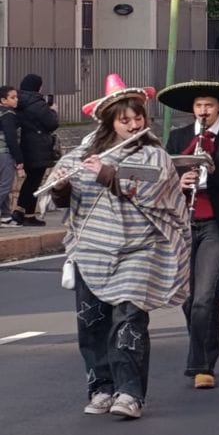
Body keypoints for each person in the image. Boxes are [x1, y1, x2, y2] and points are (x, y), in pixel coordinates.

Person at [47, 79, 190, 419]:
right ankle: (100, 387)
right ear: (109, 122)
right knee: (92, 323)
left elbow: (154, 189)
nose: (133, 125)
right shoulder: (82, 154)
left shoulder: (154, 154)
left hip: (139, 249)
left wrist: (108, 173)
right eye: (124, 120)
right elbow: (59, 198)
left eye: (137, 118)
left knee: (129, 321)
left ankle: (130, 393)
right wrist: (61, 185)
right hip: (92, 250)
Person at [159, 81, 219, 389]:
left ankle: (201, 365)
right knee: (191, 301)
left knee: (204, 297)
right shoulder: (177, 138)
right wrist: (179, 181)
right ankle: (205, 352)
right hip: (183, 224)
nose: (203, 111)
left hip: (218, 224)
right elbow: (161, 180)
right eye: (199, 105)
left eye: (209, 105)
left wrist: (214, 173)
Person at [13, 73, 59, 226]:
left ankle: (19, 211)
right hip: (37, 146)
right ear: (37, 86)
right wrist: (53, 111)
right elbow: (51, 123)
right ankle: (29, 215)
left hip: (23, 145)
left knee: (29, 180)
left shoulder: (18, 100)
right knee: (34, 181)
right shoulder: (36, 103)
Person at [0, 86, 23, 226]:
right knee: (5, 186)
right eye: (12, 98)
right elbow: (11, 139)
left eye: (16, 97)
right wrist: (19, 159)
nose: (16, 100)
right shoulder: (8, 115)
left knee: (2, 185)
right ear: (3, 100)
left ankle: (5, 215)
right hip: (4, 154)